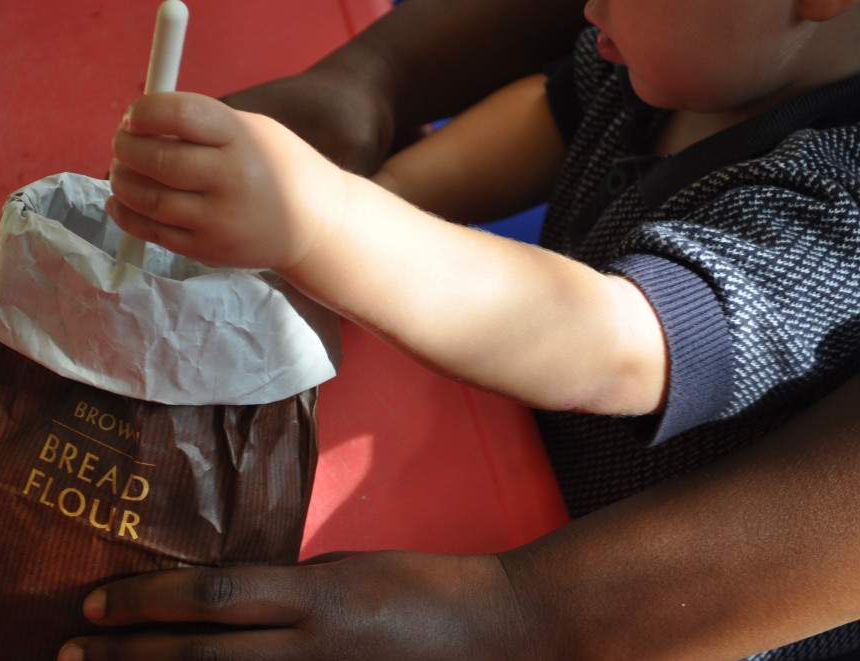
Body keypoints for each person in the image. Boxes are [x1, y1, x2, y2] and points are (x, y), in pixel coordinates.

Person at [59, 0, 860, 658]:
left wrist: (329, 223)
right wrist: (384, 200)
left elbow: (616, 342)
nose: (587, 7)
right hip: (507, 463)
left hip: (660, 601)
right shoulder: (695, 55)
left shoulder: (835, 202)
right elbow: (554, 114)